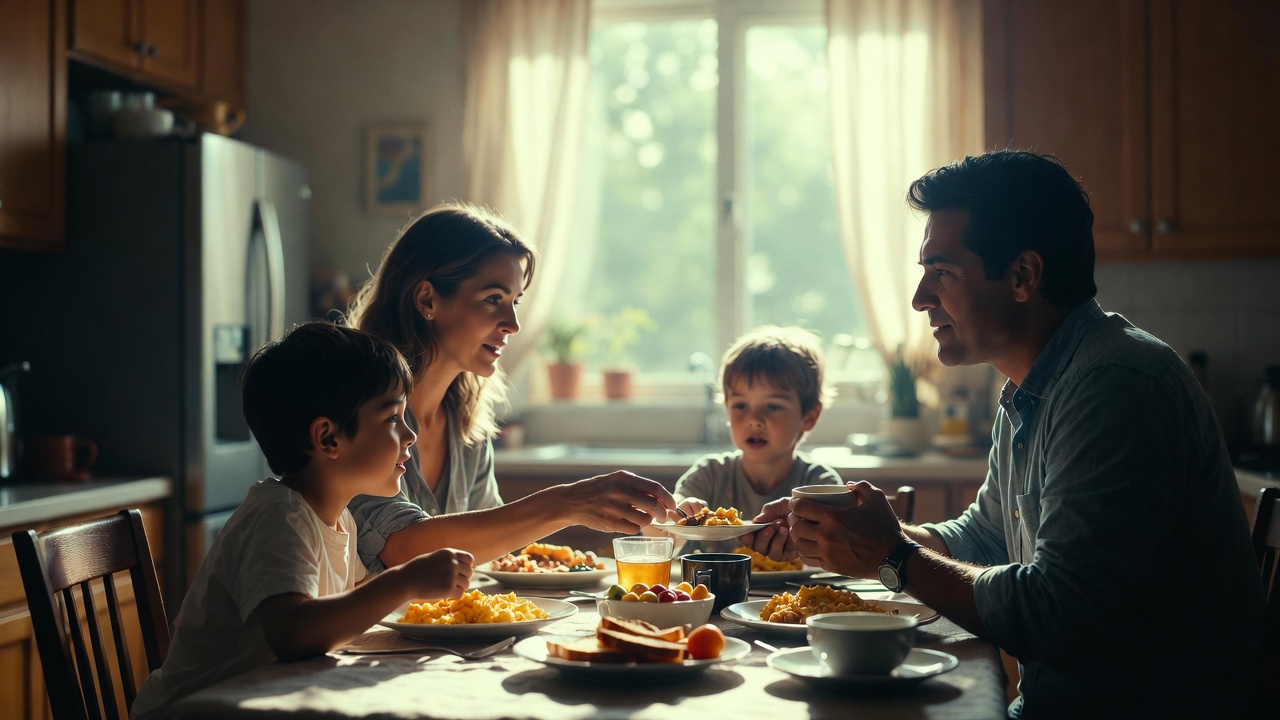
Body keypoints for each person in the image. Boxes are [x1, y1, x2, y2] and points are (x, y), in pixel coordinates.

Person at [746, 150, 1264, 719]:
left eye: (942, 272)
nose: (921, 298)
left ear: (1023, 276)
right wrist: (859, 534)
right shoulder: (1034, 387)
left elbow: (1058, 616)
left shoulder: (1115, 387)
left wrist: (890, 553)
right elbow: (988, 538)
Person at [130, 322, 474, 717]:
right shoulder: (280, 516)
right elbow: (294, 633)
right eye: (392, 418)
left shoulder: (338, 518)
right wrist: (406, 579)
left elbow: (351, 609)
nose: (410, 435)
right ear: (328, 439)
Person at [346, 202, 675, 573]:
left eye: (514, 302)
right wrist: (567, 503)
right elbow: (400, 547)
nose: (513, 324)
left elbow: (488, 547)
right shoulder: (359, 409)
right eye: (493, 299)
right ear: (427, 300)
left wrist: (664, 525)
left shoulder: (465, 420)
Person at [669, 325, 841, 553]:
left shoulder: (820, 484)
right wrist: (677, 516)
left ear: (809, 417)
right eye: (740, 405)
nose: (754, 420)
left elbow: (838, 553)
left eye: (773, 406)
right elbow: (663, 530)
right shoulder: (709, 475)